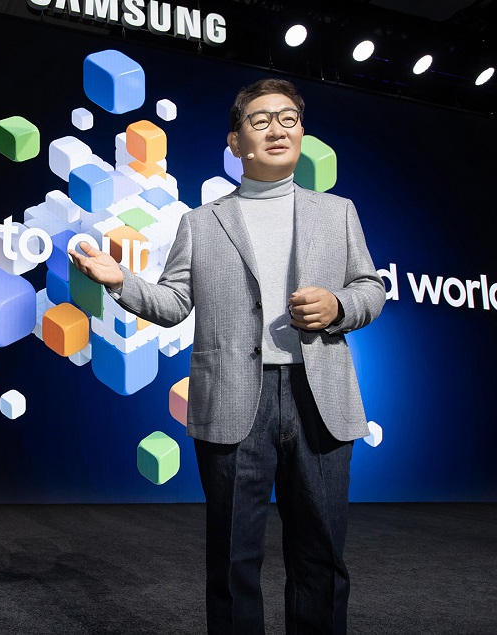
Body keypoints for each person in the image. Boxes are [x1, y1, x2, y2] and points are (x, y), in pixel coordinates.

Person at [69, 78, 385, 634]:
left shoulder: (338, 212)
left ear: (302, 133)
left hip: (320, 401)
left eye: (288, 119)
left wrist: (339, 305)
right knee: (234, 560)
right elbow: (173, 304)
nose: (277, 130)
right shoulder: (201, 222)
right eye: (260, 121)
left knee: (321, 557)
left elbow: (370, 288)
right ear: (235, 142)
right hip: (234, 401)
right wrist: (121, 282)